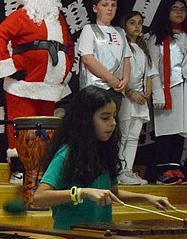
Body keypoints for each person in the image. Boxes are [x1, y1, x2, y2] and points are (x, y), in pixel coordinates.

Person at [33, 86, 175, 230]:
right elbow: (39, 198)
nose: (113, 123)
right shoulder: (67, 154)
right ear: (85, 120)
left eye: (114, 116)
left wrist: (146, 198)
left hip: (100, 236)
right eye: (105, 117)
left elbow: (112, 192)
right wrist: (83, 193)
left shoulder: (104, 151)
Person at [0, 0, 74, 184]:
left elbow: (68, 47)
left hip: (50, 87)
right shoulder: (21, 16)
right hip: (24, 85)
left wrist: (65, 71)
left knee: (46, 131)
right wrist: (9, 68)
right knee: (21, 127)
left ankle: (41, 170)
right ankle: (19, 169)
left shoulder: (59, 18)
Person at [149, 0, 187, 184]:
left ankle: (176, 169)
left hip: (184, 88)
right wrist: (158, 91)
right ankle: (163, 171)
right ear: (167, 11)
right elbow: (153, 67)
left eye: (182, 9)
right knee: (165, 130)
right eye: (175, 8)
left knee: (181, 130)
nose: (179, 12)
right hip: (166, 88)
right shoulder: (157, 37)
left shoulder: (186, 35)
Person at [117, 11, 155, 185]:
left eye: (140, 23)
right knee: (123, 134)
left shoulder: (143, 48)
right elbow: (119, 72)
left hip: (141, 99)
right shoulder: (123, 46)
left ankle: (128, 169)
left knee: (134, 136)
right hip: (127, 95)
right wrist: (130, 91)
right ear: (125, 26)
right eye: (132, 23)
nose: (137, 26)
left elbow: (149, 73)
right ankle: (119, 169)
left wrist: (147, 92)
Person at [78, 0, 132, 106]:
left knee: (112, 121)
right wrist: (110, 78)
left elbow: (126, 58)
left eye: (113, 5)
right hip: (94, 87)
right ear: (95, 8)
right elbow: (87, 59)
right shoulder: (89, 29)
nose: (110, 9)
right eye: (105, 5)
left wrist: (126, 79)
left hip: (117, 88)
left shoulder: (120, 32)